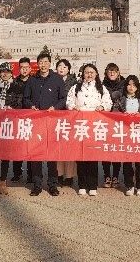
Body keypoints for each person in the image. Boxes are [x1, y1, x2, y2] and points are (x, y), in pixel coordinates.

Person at [23, 52, 66, 196]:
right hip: (36, 122)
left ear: (50, 63)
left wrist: (55, 108)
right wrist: (31, 106)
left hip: (52, 121)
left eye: (46, 62)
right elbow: (26, 98)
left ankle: (52, 184)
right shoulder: (32, 80)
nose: (43, 65)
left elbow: (63, 98)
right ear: (37, 64)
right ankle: (37, 185)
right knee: (36, 154)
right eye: (40, 62)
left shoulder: (57, 79)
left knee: (51, 154)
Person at [66, 63, 112, 196]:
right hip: (80, 125)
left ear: (96, 74)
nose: (89, 75)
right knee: (80, 156)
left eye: (92, 72)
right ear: (83, 74)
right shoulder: (76, 87)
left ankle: (92, 185)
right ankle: (82, 184)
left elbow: (108, 102)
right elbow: (69, 101)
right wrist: (72, 107)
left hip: (94, 126)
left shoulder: (101, 88)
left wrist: (102, 107)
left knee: (92, 156)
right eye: (86, 72)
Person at [111, 75, 140, 196]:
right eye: (129, 85)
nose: (131, 87)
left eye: (134, 85)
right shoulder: (120, 99)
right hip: (126, 133)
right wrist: (123, 115)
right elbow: (114, 113)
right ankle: (129, 185)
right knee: (127, 161)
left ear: (137, 86)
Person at [0, 63, 23, 196]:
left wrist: (12, 108)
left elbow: (19, 104)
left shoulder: (17, 87)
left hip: (9, 123)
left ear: (11, 73)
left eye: (7, 72)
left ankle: (3, 181)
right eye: (2, 71)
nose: (5, 74)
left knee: (6, 154)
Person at [102, 63, 125, 188]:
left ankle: (115, 175)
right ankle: (107, 175)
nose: (112, 73)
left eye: (114, 71)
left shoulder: (124, 85)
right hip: (105, 120)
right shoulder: (101, 85)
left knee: (117, 149)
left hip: (119, 121)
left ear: (118, 72)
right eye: (109, 71)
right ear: (106, 72)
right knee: (105, 148)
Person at [56, 59, 78, 187]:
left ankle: (69, 176)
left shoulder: (75, 83)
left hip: (71, 118)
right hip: (56, 117)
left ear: (68, 69)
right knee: (58, 147)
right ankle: (58, 174)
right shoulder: (52, 80)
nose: (62, 68)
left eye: (65, 67)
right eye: (59, 66)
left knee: (70, 147)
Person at [11, 57, 33, 183]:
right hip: (17, 117)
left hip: (31, 118)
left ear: (30, 68)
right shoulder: (14, 82)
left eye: (26, 67)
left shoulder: (34, 81)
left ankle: (31, 174)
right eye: (22, 68)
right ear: (19, 69)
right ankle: (17, 173)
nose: (24, 70)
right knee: (17, 146)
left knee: (30, 146)